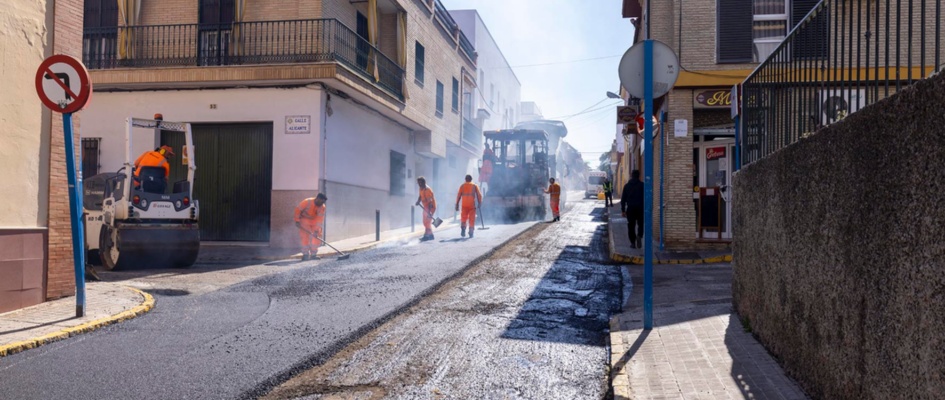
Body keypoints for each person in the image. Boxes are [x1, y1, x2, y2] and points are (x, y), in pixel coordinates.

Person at [294, 193, 327, 261]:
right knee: (304, 237)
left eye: (323, 202)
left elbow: (319, 219)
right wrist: (297, 221)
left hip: (314, 222)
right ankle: (305, 254)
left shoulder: (322, 207)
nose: (322, 203)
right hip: (305, 221)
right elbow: (298, 210)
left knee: (316, 237)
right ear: (317, 198)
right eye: (321, 202)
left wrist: (316, 230)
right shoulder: (307, 202)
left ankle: (313, 255)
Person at [621, 170, 645, 249]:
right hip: (640, 208)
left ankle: (633, 243)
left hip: (630, 209)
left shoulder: (627, 186)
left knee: (631, 226)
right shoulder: (642, 185)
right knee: (641, 224)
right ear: (639, 176)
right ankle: (639, 235)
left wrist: (623, 210)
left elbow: (623, 199)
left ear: (631, 175)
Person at [415, 176, 437, 241]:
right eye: (418, 183)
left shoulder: (428, 190)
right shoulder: (421, 189)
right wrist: (418, 201)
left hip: (431, 207)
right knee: (425, 222)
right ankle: (430, 235)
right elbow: (420, 196)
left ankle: (427, 236)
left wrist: (429, 211)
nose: (419, 184)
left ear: (424, 182)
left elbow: (430, 202)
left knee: (427, 221)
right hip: (426, 206)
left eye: (420, 183)